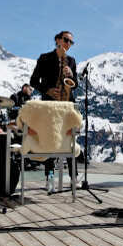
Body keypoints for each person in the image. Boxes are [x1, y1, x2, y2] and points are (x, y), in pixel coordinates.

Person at [29, 31, 79, 181]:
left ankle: (73, 177)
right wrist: (48, 90)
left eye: (71, 42)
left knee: (70, 140)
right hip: (50, 104)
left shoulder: (71, 61)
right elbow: (33, 81)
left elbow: (75, 85)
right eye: (66, 40)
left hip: (66, 104)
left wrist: (70, 75)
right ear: (57, 40)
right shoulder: (44, 58)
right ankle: (49, 176)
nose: (68, 44)